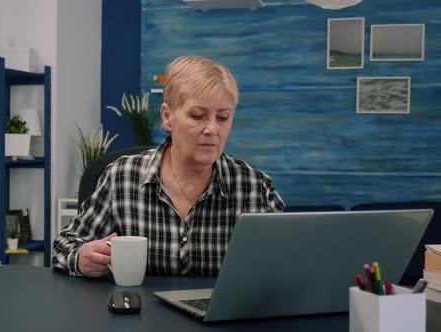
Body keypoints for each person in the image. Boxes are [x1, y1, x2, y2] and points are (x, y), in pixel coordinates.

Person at [53, 55, 285, 277]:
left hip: (221, 315)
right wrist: (81, 257)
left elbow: (286, 265)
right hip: (141, 314)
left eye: (222, 118)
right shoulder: (122, 178)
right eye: (197, 116)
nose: (212, 129)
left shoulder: (255, 188)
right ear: (167, 117)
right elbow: (63, 246)